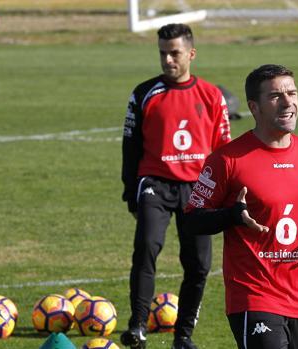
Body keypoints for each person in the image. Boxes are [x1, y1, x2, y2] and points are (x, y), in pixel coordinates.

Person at [182, 64, 298, 349]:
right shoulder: (227, 160)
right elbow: (192, 221)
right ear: (254, 107)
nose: (288, 102)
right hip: (254, 295)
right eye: (276, 96)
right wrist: (232, 216)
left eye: (292, 93)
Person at [120, 23, 231, 349]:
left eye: (175, 53)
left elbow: (224, 149)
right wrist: (131, 188)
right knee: (147, 248)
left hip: (198, 189)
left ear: (191, 54)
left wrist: (221, 194)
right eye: (163, 53)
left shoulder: (212, 96)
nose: (168, 60)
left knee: (198, 265)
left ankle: (183, 336)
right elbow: (130, 145)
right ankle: (138, 327)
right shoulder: (144, 93)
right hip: (154, 183)